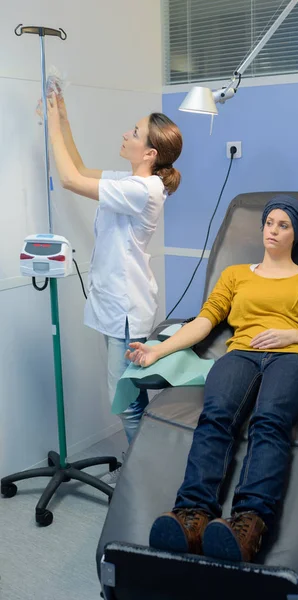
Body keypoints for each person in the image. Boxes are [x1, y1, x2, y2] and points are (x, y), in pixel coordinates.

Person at [126, 195, 298, 562]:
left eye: (283, 225)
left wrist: (293, 335)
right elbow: (204, 321)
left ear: (297, 234)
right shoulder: (236, 275)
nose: (272, 230)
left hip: (294, 358)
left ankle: (249, 524)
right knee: (215, 418)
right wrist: (156, 350)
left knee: (270, 420)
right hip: (240, 354)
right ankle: (191, 516)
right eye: (269, 223)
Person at [46, 93, 183, 484]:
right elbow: (82, 168)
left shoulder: (144, 190)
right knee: (127, 391)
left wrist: (51, 123)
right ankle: (142, 461)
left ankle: (143, 474)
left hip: (126, 307)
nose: (127, 134)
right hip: (115, 302)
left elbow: (70, 179)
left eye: (135, 132)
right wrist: (64, 119)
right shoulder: (132, 180)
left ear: (150, 153)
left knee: (123, 397)